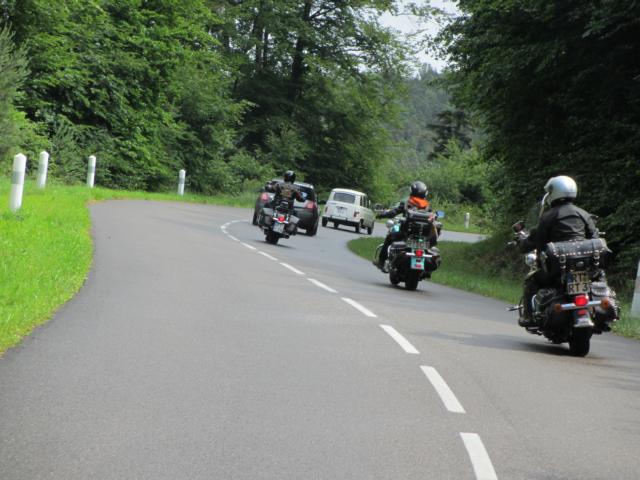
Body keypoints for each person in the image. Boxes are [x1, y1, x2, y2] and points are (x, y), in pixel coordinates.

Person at [516, 175, 599, 326]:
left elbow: (538, 242)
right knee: (600, 278)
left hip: (558, 269)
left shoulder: (548, 217)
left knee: (531, 281)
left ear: (554, 192)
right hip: (585, 267)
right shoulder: (584, 214)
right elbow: (595, 239)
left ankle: (528, 317)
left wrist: (523, 243)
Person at [375, 181, 438, 272]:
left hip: (406, 234)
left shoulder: (407, 203)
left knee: (389, 237)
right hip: (423, 238)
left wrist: (382, 214)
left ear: (411, 191)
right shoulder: (427, 206)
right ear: (425, 193)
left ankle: (381, 262)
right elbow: (433, 219)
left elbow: (393, 212)